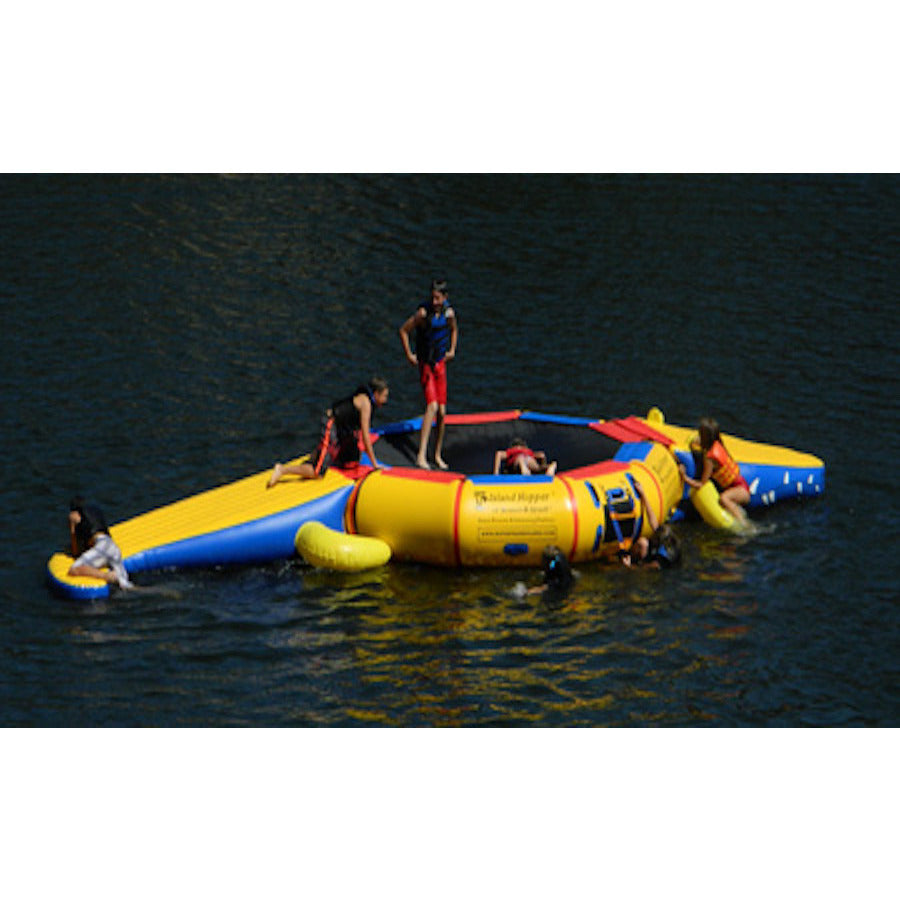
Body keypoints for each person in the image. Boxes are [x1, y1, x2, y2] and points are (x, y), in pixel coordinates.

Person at [268, 377, 389, 487]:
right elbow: (366, 435)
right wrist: (374, 464)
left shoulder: (365, 399)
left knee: (350, 462)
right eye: (384, 396)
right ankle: (282, 470)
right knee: (318, 472)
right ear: (376, 394)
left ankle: (316, 455)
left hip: (342, 428)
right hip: (331, 424)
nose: (385, 400)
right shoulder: (366, 404)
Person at [398, 279, 458, 469]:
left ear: (445, 298)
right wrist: (409, 355)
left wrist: (452, 350)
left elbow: (454, 329)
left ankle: (437, 454)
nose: (434, 302)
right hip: (426, 364)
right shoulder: (423, 314)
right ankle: (421, 455)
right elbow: (404, 330)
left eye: (438, 298)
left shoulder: (449, 313)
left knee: (442, 411)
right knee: (431, 406)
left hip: (440, 364)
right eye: (432, 298)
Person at [678, 416, 750, 524]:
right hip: (739, 484)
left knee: (724, 499)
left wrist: (684, 477)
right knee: (724, 496)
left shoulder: (710, 458)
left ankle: (744, 525)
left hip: (740, 490)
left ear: (705, 437)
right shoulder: (717, 444)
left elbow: (701, 484)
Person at [68, 497, 133, 588]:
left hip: (101, 546)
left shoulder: (74, 515)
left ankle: (107, 576)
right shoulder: (95, 511)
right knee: (126, 586)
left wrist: (72, 527)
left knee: (73, 569)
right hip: (112, 545)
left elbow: (75, 550)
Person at [619, 480, 682, 569]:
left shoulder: (661, 559)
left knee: (643, 545)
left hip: (656, 568)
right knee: (643, 543)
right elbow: (653, 521)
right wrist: (643, 493)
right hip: (654, 559)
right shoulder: (668, 538)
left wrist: (629, 566)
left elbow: (644, 569)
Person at [493, 439, 557, 476]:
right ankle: (548, 467)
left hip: (521, 459)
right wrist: (543, 464)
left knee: (521, 460)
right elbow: (541, 455)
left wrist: (496, 473)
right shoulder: (528, 451)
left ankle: (524, 469)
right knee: (536, 467)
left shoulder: (512, 451)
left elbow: (499, 454)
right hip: (528, 459)